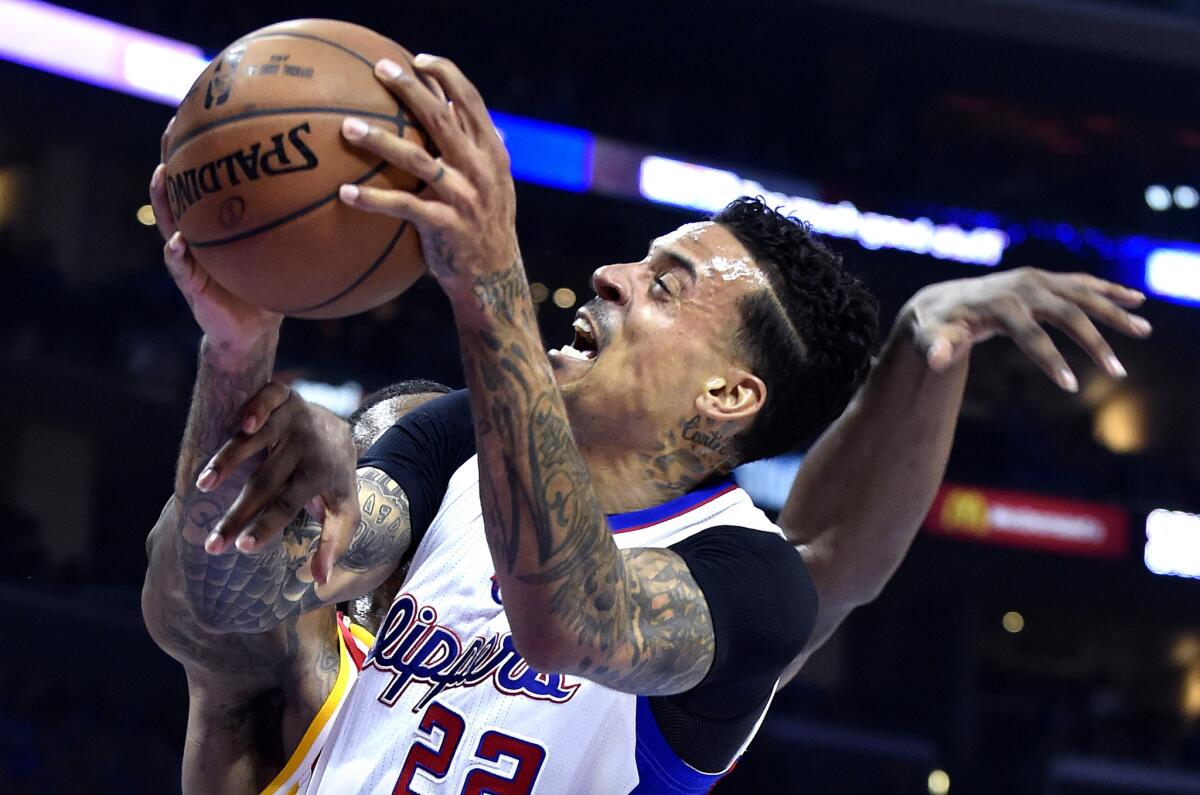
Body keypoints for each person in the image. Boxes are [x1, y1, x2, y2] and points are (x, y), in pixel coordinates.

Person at [149, 54, 1152, 793]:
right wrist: (238, 349)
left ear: (728, 396)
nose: (610, 276)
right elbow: (214, 605)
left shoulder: (747, 585)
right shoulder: (449, 440)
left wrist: (492, 279)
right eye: (639, 259)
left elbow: (570, 619)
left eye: (664, 286)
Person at [142, 376, 451, 794]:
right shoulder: (300, 673)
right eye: (377, 471)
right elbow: (195, 590)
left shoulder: (545, 676)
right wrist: (239, 386)